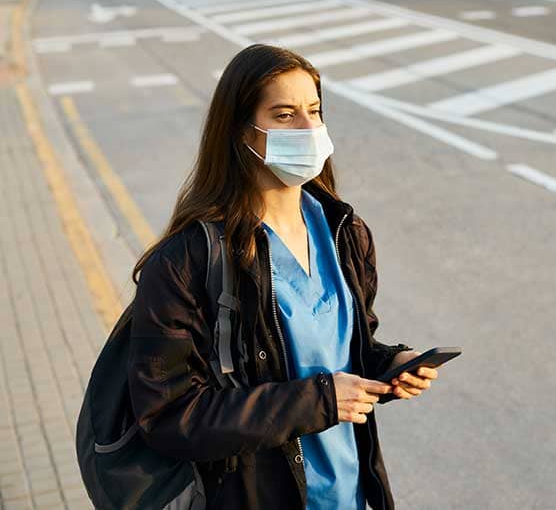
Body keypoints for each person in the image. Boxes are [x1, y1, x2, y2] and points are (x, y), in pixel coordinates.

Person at [127, 44, 438, 509]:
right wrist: (319, 401)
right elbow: (170, 417)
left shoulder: (344, 233)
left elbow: (342, 351)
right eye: (285, 115)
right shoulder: (186, 263)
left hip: (350, 495)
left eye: (314, 110)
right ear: (240, 132)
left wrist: (388, 366)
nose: (310, 128)